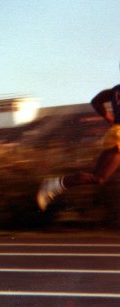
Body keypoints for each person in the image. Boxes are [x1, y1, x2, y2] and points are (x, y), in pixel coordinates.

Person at [37, 83, 120, 211]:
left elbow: (96, 101)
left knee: (98, 177)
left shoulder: (116, 89)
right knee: (99, 177)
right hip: (118, 137)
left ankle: (55, 184)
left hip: (116, 133)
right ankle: (54, 185)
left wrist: (111, 119)